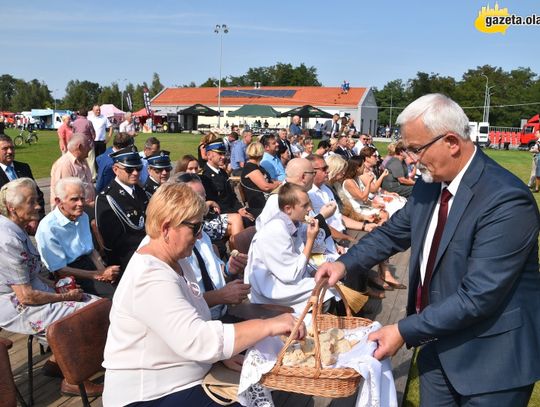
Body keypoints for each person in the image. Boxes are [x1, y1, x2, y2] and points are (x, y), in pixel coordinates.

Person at [316, 93, 540, 407]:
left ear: (451, 141)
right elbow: (394, 233)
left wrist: (403, 331)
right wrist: (346, 262)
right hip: (438, 345)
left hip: (493, 360)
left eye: (415, 149)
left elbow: (479, 296)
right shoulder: (429, 183)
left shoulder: (506, 200)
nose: (409, 159)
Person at [102, 182, 302, 406]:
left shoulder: (176, 261)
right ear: (166, 228)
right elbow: (198, 340)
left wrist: (222, 355)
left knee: (263, 373)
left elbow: (192, 321)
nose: (199, 236)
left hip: (182, 375)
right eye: (195, 228)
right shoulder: (150, 276)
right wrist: (269, 325)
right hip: (150, 393)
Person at [0, 178, 100, 397]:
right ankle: (73, 380)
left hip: (34, 293)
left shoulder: (16, 229)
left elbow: (33, 275)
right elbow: (25, 296)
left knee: (95, 304)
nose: (38, 205)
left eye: (37, 200)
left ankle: (58, 361)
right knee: (88, 314)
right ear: (12, 208)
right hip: (17, 305)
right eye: (31, 202)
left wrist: (56, 286)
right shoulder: (7, 239)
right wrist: (64, 297)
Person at [245, 183, 335, 313]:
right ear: (288, 209)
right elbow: (291, 275)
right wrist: (310, 240)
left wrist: (313, 271)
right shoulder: (277, 230)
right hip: (272, 288)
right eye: (305, 205)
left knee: (330, 278)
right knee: (326, 290)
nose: (309, 208)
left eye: (309, 203)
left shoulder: (294, 223)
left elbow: (298, 256)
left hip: (285, 278)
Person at [36, 177, 119, 298]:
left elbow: (90, 251)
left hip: (89, 265)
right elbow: (60, 270)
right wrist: (98, 274)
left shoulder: (82, 216)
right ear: (59, 201)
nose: (80, 204)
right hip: (69, 275)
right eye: (74, 199)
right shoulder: (48, 228)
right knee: (114, 298)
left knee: (123, 285)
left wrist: (104, 272)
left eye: (82, 198)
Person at [95, 146, 149, 274]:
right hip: (126, 260)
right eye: (129, 169)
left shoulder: (140, 191)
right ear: (115, 170)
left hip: (147, 251)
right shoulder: (106, 198)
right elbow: (113, 242)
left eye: (138, 168)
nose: (135, 173)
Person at [202, 139, 255, 226]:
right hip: (219, 214)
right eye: (220, 154)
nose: (223, 157)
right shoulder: (205, 176)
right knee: (248, 221)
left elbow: (232, 196)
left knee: (259, 214)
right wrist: (237, 212)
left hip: (232, 210)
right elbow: (215, 204)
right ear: (209, 155)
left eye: (224, 154)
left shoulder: (223, 173)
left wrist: (240, 209)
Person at [0, 134, 45, 221]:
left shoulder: (23, 167)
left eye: (12, 148)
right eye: (5, 149)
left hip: (32, 220)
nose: (10, 151)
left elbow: (38, 195)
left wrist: (35, 218)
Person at [50, 133, 95, 209]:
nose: (90, 148)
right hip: (72, 212)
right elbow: (65, 197)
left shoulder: (83, 160)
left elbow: (89, 184)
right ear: (80, 147)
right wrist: (89, 206)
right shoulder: (64, 165)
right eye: (88, 145)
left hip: (85, 208)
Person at [240, 141, 281, 218]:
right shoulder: (250, 168)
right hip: (259, 204)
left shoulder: (258, 167)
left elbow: (270, 181)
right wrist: (278, 184)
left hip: (266, 200)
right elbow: (266, 187)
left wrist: (277, 183)